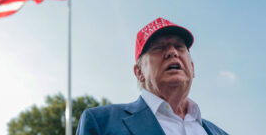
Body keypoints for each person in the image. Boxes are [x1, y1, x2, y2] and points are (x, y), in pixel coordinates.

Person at [76, 17, 228, 135]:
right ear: (139, 73)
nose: (172, 52)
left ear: (192, 68)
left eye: (179, 46)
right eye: (159, 47)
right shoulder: (101, 123)